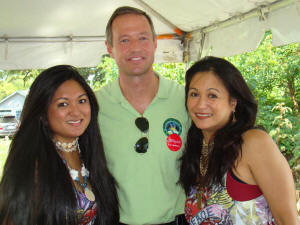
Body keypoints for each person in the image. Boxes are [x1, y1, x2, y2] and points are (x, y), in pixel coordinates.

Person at [95, 6, 189, 225]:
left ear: (155, 43)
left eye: (143, 38)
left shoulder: (184, 99)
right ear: (110, 48)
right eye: (124, 40)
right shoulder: (94, 105)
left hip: (178, 219)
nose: (135, 48)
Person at [179, 56, 299, 224]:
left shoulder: (253, 143)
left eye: (212, 95)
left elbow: (288, 220)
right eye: (194, 94)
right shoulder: (197, 149)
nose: (200, 104)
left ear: (233, 102)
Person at [0, 65, 119, 225]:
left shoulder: (91, 155)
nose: (76, 112)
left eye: (82, 101)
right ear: (42, 113)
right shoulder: (33, 165)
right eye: (63, 104)